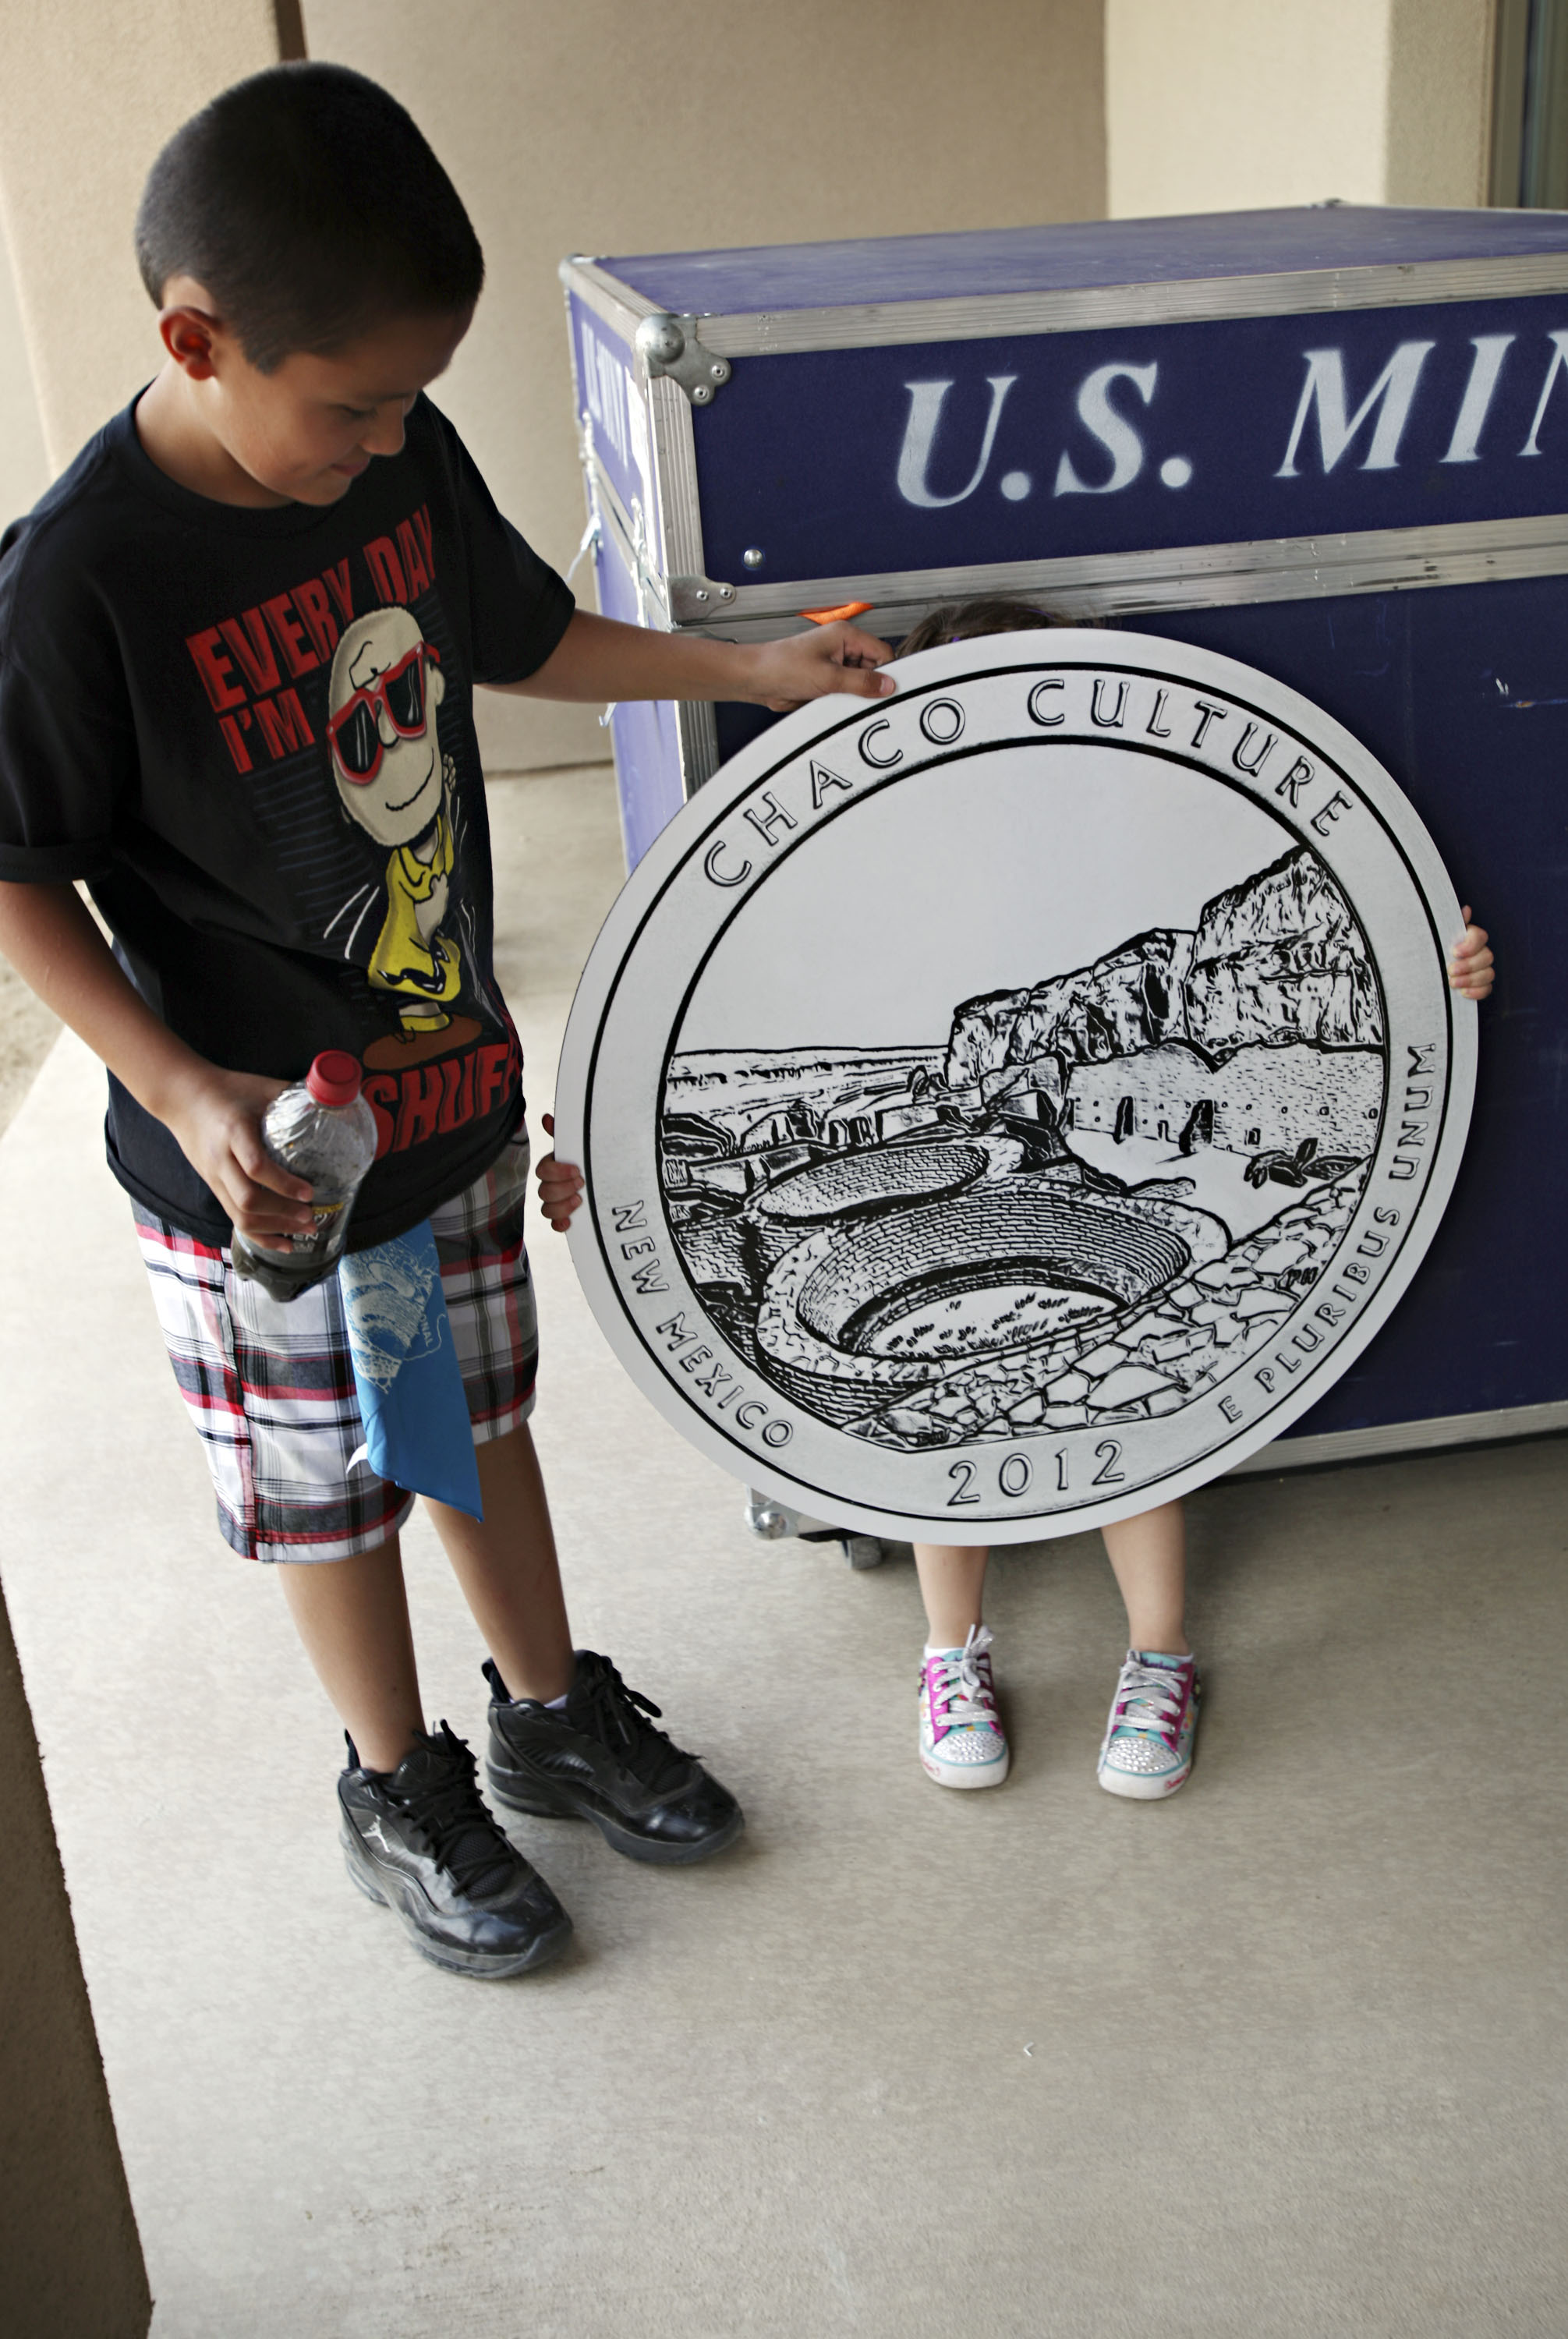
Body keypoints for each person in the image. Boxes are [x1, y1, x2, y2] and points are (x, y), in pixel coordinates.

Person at [0, 64, 895, 1981]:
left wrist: (757, 670)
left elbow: (514, 631)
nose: (391, 438)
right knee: (335, 1485)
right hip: (263, 1173)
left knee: (473, 1421)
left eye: (413, 397)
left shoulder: (389, 454)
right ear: (196, 336)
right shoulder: (76, 580)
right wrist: (176, 1081)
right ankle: (396, 1780)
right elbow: (13, 867)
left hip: (446, 1088)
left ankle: (550, 1711)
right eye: (353, 404)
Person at [542, 593, 1496, 1807]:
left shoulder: (1115, 855)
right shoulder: (898, 877)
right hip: (1035, 1174)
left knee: (1151, 1431)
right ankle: (952, 1654)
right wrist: (617, 1147)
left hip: (1083, 1191)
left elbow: (1371, 975)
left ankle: (1160, 1654)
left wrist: (1437, 969)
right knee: (935, 1441)